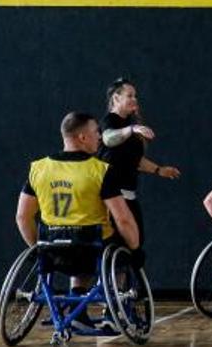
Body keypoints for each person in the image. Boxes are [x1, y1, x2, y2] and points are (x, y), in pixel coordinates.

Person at [15, 111, 140, 332]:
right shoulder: (100, 170)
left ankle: (78, 313)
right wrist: (134, 247)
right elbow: (123, 218)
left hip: (53, 251)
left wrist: (37, 247)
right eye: (95, 132)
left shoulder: (39, 168)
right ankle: (114, 311)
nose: (100, 137)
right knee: (124, 248)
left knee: (76, 243)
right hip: (92, 251)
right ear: (82, 137)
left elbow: (22, 217)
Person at [98, 78, 180, 247]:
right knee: (119, 245)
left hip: (128, 194)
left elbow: (134, 160)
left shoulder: (129, 126)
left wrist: (159, 170)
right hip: (112, 196)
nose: (134, 99)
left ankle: (122, 273)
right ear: (116, 98)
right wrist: (132, 129)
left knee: (133, 247)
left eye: (135, 96)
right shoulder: (110, 121)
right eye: (130, 95)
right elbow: (107, 138)